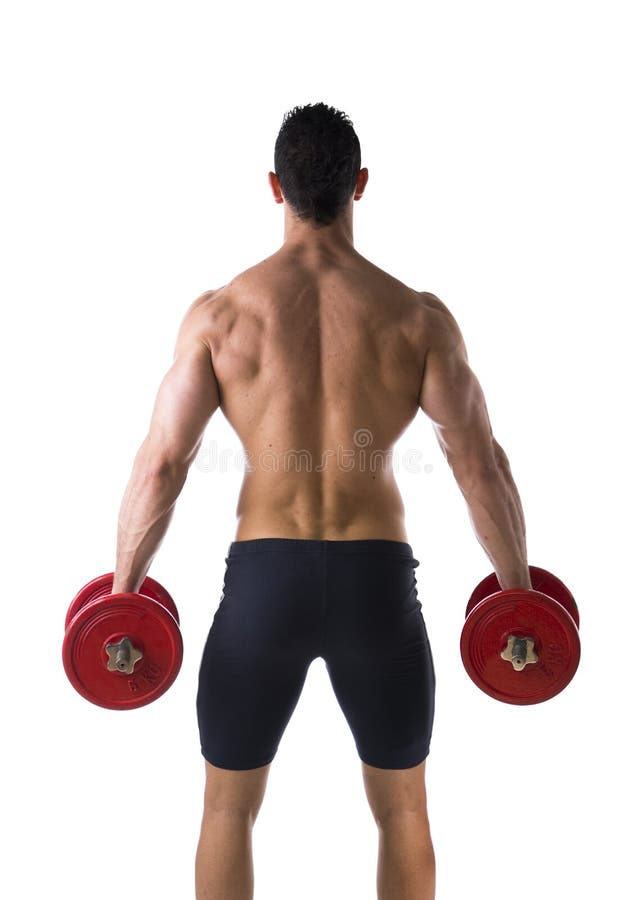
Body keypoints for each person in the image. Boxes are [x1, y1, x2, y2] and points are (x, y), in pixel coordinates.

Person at [111, 102, 532, 900]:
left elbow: (162, 466)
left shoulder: (222, 316)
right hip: (377, 580)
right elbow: (479, 465)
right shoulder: (415, 318)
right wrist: (517, 593)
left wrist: (123, 594)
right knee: (403, 808)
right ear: (359, 186)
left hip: (264, 583)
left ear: (275, 187)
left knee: (228, 809)